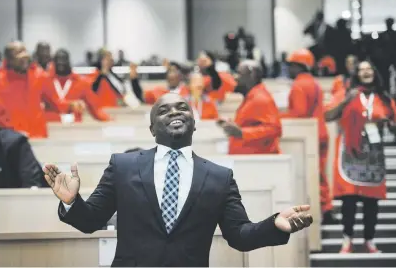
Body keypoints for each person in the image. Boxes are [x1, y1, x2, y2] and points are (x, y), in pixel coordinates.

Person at [43, 92, 313, 266]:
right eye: (164, 110)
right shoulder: (123, 166)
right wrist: (71, 202)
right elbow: (91, 221)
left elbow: (239, 235)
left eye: (182, 108)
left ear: (194, 123)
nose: (174, 112)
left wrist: (274, 225)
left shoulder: (219, 177)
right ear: (152, 128)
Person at [325, 60, 394, 253]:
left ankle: (369, 241)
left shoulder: (384, 98)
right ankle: (347, 240)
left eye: (369, 69)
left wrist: (388, 123)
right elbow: (327, 116)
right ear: (356, 74)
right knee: (349, 200)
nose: (365, 72)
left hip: (373, 155)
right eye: (361, 69)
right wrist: (347, 100)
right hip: (350, 154)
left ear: (374, 72)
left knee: (371, 201)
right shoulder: (346, 93)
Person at [280, 49, 337, 225]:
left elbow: (299, 114)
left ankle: (325, 212)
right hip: (320, 133)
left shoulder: (299, 85)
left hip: (310, 136)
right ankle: (326, 209)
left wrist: (276, 117)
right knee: (320, 174)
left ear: (299, 66)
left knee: (315, 175)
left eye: (291, 65)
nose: (288, 69)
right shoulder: (313, 82)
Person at [0, 41, 83, 138]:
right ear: (8, 59)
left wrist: (71, 105)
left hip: (36, 135)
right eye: (18, 54)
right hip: (10, 139)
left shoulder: (40, 76)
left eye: (25, 53)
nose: (23, 57)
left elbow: (55, 103)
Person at [217, 60, 282, 154]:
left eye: (239, 73)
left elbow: (275, 129)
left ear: (251, 75)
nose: (235, 77)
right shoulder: (251, 97)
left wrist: (242, 133)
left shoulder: (260, 98)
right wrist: (232, 125)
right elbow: (251, 123)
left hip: (258, 163)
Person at [45, 49, 111, 123]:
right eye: (58, 62)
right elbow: (37, 109)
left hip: (76, 130)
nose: (61, 64)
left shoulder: (81, 83)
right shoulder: (45, 82)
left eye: (63, 61)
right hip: (51, 128)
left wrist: (110, 120)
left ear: (69, 62)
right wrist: (69, 106)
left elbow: (96, 110)